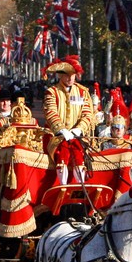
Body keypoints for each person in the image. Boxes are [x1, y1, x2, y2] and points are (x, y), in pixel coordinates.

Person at [42, 56, 93, 185]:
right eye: (67, 75)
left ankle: (80, 184)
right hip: (57, 136)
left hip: (77, 135)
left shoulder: (83, 92)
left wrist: (79, 128)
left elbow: (87, 114)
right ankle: (62, 185)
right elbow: (50, 112)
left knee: (78, 152)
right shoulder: (52, 92)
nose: (70, 78)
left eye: (73, 75)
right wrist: (61, 130)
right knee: (63, 152)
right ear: (60, 75)